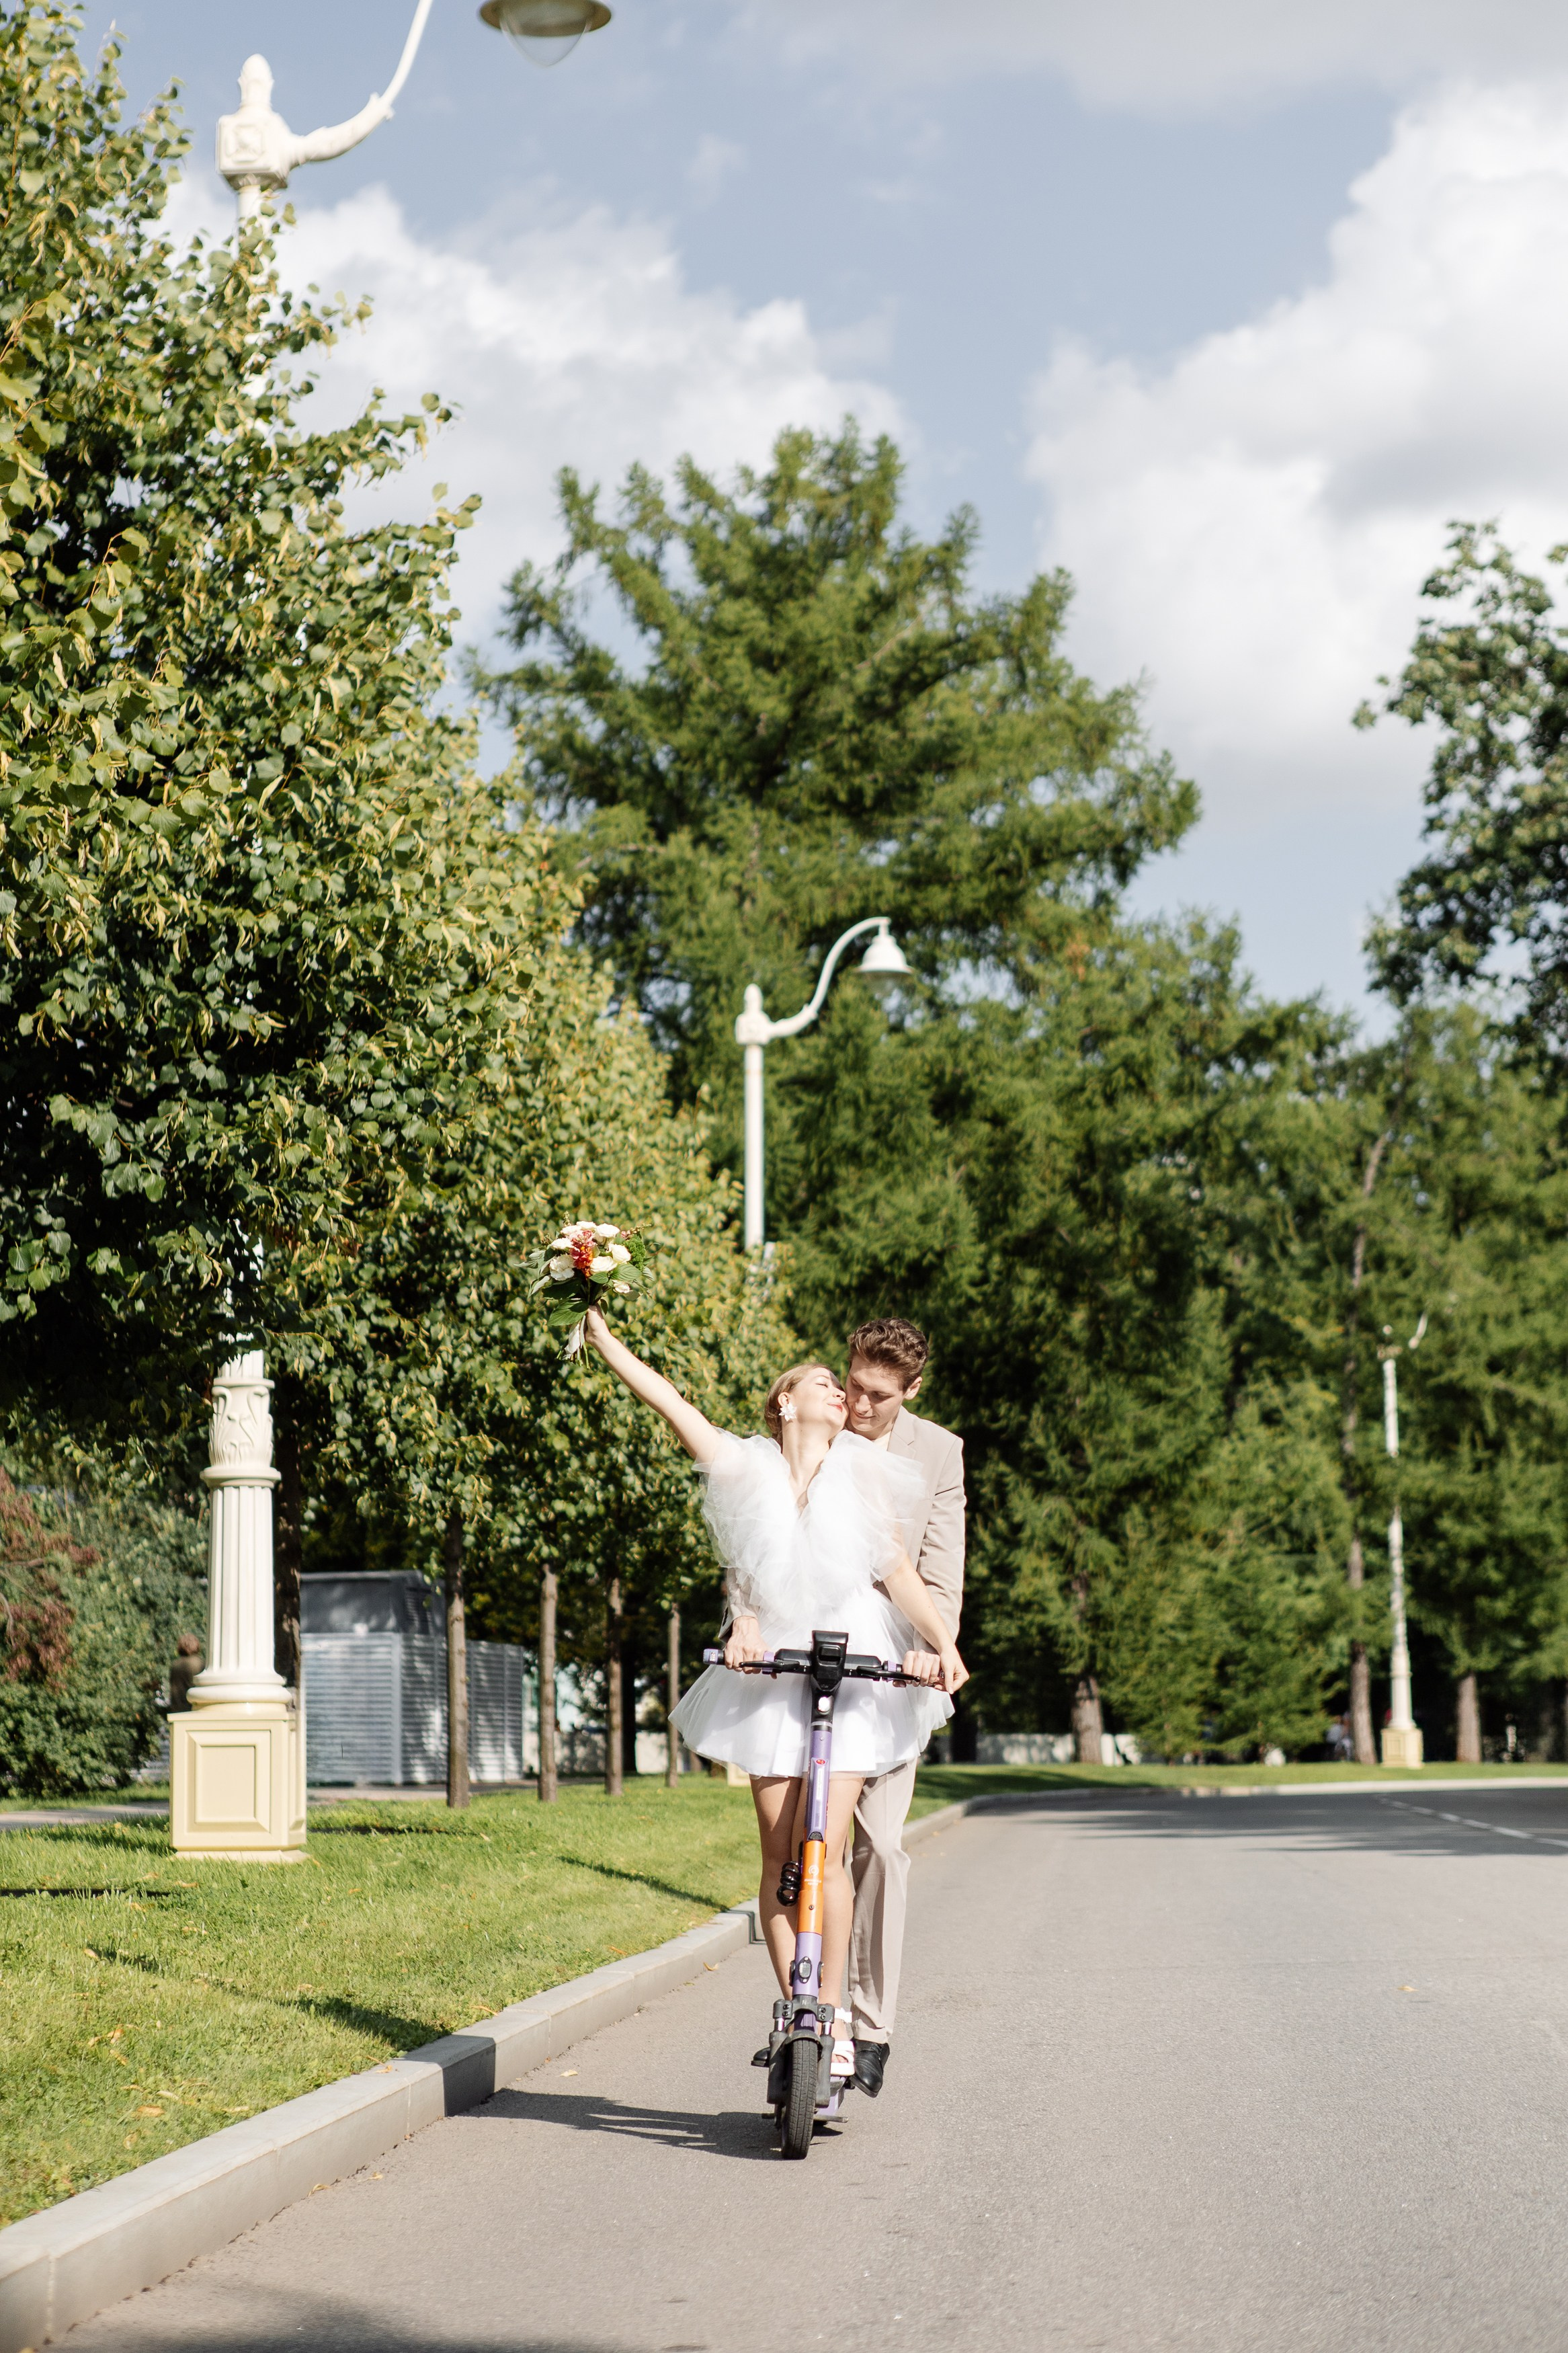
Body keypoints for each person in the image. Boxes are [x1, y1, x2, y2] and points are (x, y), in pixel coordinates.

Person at [582, 1305, 967, 2086]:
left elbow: (896, 1568)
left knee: (824, 1846)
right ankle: (795, 2006)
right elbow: (668, 1402)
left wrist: (942, 1645)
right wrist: (601, 1335)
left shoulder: (858, 1469)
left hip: (851, 1668)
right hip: (771, 1671)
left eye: (852, 1387)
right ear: (787, 1402)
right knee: (778, 1859)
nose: (843, 1395)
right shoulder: (744, 1465)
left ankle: (836, 2022)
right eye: (827, 1383)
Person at [841, 1318, 965, 2099]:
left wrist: (935, 1647)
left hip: (893, 1670)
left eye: (877, 1394)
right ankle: (804, 2010)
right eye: (853, 1382)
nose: (858, 1401)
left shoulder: (938, 1451)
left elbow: (941, 1568)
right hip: (808, 1664)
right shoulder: (817, 1417)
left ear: (910, 1391)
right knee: (803, 1854)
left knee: (880, 1847)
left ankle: (869, 2019)